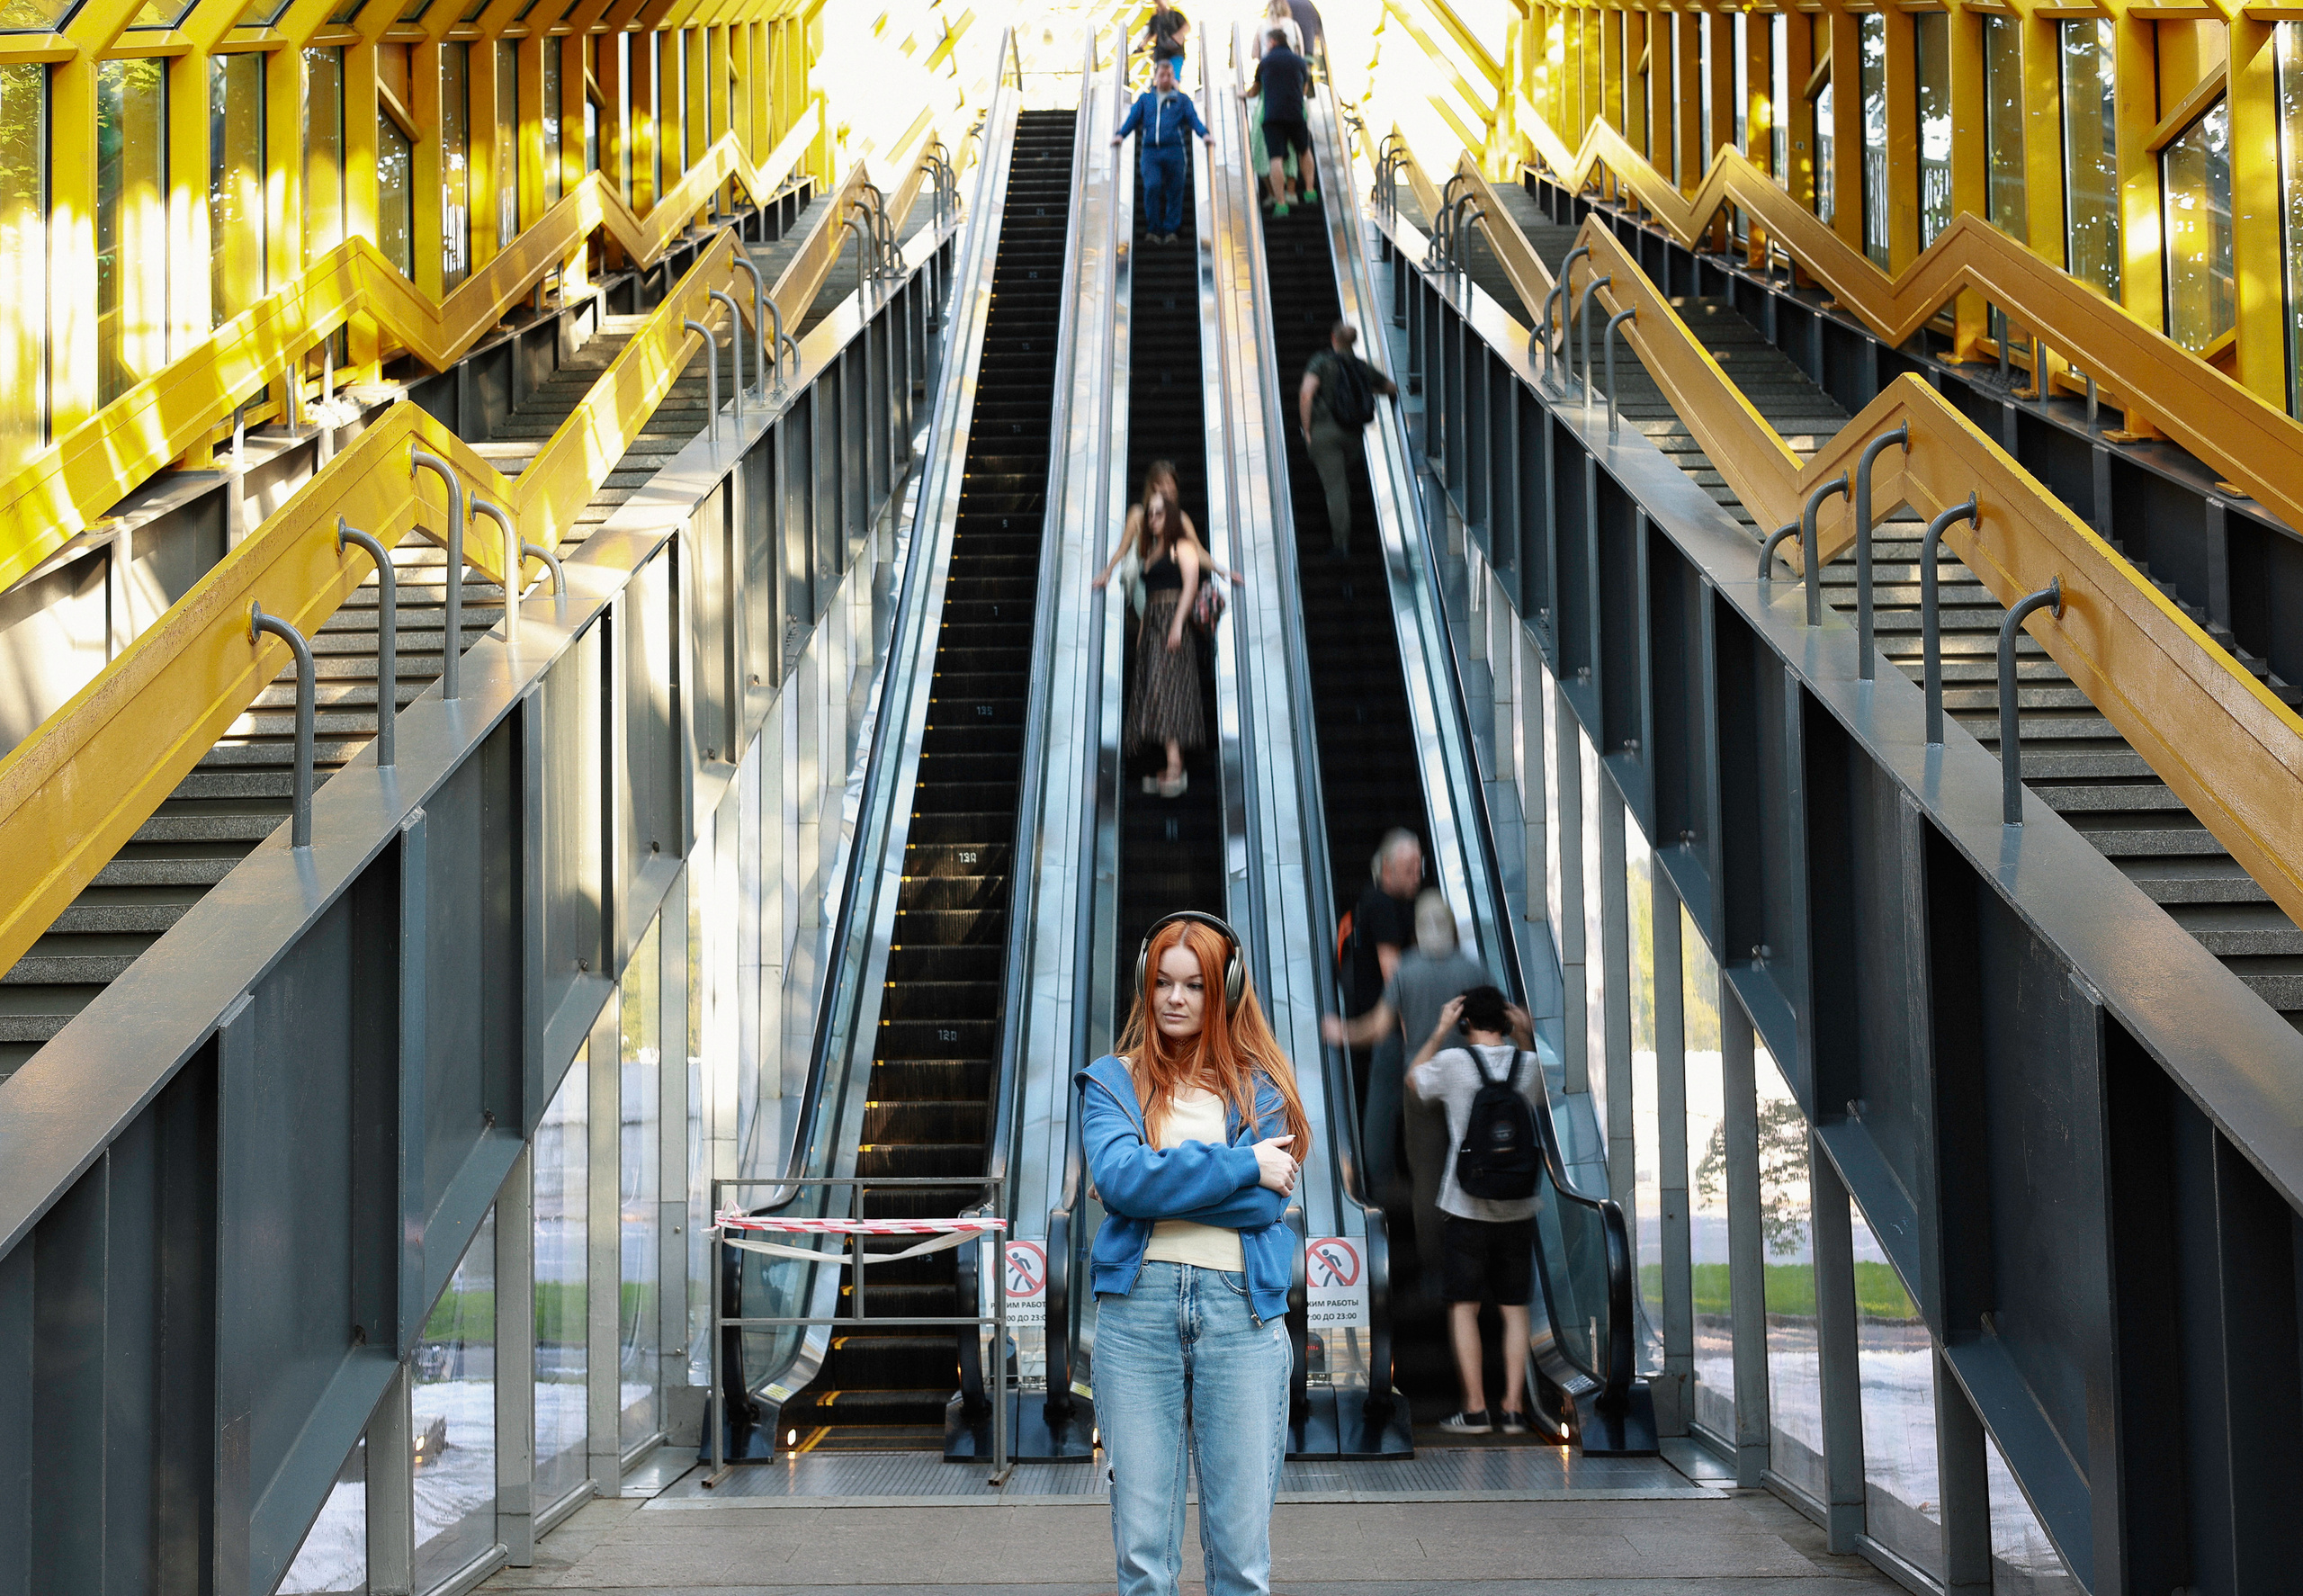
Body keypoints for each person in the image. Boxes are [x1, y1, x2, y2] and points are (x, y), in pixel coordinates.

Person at [1079, 912, 1313, 1596]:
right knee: (1144, 1561)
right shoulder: (1111, 1081)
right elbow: (1121, 1181)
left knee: (1241, 1562)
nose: (1174, 999)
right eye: (1162, 983)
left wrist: (1155, 1183)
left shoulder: (1262, 1087)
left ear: (1228, 991)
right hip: (1136, 1318)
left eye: (1195, 986)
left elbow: (1265, 1207)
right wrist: (1243, 1166)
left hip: (1241, 1317)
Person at [1322, 890, 1528, 1213]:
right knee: (1472, 1156)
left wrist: (1341, 1031)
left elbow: (1378, 1028)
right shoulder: (1474, 969)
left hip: (1422, 1085)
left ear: (1417, 930)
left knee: (1429, 1179)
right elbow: (1502, 1019)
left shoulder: (1407, 970)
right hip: (1467, 1082)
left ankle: (1433, 1256)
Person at [1407, 985, 1546, 1436]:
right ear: (1507, 1022)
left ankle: (1474, 1409)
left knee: (1463, 1306)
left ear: (1466, 1023)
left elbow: (1413, 1079)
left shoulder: (1452, 1064)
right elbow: (1543, 1097)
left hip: (1465, 1206)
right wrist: (1526, 1038)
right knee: (1514, 1307)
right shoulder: (1530, 1066)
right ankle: (1512, 1408)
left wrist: (1440, 1029)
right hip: (1519, 1207)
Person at [1100, 465, 1204, 797]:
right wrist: (1144, 634)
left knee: (1169, 691)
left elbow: (1190, 585)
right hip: (1154, 622)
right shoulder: (1153, 552)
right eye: (1152, 514)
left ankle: (1175, 769)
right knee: (1159, 691)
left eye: (1159, 514)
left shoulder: (1180, 547)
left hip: (1173, 622)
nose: (1153, 518)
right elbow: (1149, 594)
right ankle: (1171, 766)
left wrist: (1176, 625)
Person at [1298, 321, 1398, 561]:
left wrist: (1308, 430)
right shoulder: (1361, 367)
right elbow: (1391, 387)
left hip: (1326, 433)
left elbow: (1306, 394)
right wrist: (1365, 390)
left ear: (1333, 338)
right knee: (1341, 481)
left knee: (1336, 488)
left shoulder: (1321, 362)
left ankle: (1341, 545)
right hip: (1353, 435)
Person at [1113, 57, 1212, 247]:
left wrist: (1204, 134)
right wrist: (1120, 135)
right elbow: (1132, 119)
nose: (1165, 78)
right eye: (1162, 75)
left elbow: (1193, 120)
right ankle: (1153, 229)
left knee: (1175, 189)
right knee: (1152, 186)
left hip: (1175, 151)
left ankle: (1171, 230)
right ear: (1155, 77)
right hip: (1151, 153)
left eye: (1169, 75)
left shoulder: (1181, 100)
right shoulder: (1145, 99)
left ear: (1173, 77)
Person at [1242, 28, 1314, 213]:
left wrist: (1244, 94)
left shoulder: (1265, 63)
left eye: (1267, 43)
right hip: (1296, 114)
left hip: (1273, 116)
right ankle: (1309, 190)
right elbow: (1305, 88)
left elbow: (1255, 90)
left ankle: (1281, 203)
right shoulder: (1300, 62)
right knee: (1304, 150)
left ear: (1272, 42)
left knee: (1276, 158)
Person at [1138, 0, 1190, 75]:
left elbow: (1186, 27)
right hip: (1162, 53)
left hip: (1176, 52)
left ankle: (1173, 84)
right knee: (1162, 76)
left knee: (1174, 75)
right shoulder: (1155, 19)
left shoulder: (1176, 15)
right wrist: (1141, 47)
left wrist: (1177, 37)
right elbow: (1151, 33)